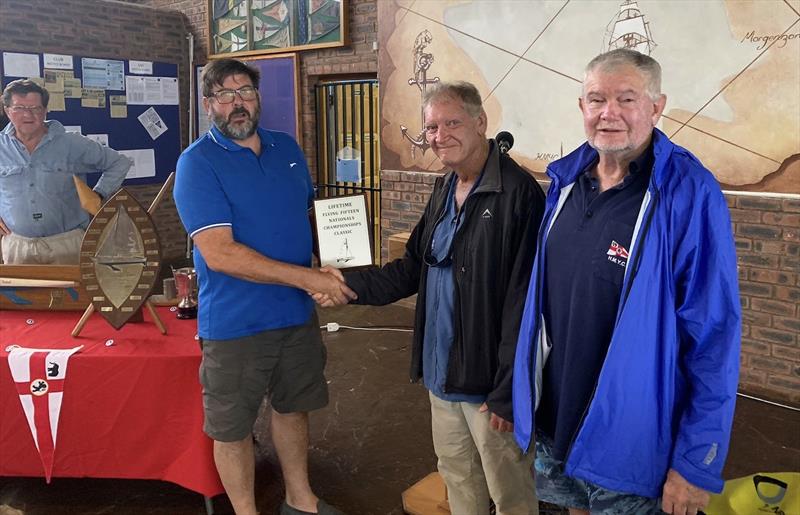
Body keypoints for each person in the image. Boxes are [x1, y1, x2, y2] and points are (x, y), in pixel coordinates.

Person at [512, 48, 741, 515]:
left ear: (657, 107)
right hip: (558, 420)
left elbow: (713, 338)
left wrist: (696, 462)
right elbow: (543, 306)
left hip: (634, 440)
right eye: (596, 99)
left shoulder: (688, 193)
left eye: (626, 99)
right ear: (581, 107)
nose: (608, 113)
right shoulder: (566, 183)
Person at [317, 81, 545, 515]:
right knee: (457, 475)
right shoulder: (444, 189)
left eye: (452, 123)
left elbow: (526, 303)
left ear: (481, 123)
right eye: (433, 127)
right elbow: (411, 269)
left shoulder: (520, 195)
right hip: (442, 374)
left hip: (486, 384)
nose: (441, 136)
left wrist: (507, 390)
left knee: (510, 490)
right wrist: (345, 285)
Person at [173, 58, 355, 515]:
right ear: (209, 104)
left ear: (258, 98)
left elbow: (302, 218)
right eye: (226, 95)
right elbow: (220, 253)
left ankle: (300, 499)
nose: (238, 103)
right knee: (232, 428)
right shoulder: (197, 164)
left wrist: (327, 263)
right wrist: (307, 277)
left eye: (246, 93)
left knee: (294, 407)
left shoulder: (286, 148)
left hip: (295, 314)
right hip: (236, 323)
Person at [0, 79, 131, 264]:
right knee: (22, 294)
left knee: (76, 294)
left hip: (67, 244)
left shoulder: (71, 143)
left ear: (45, 111)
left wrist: (98, 195)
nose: (27, 114)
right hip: (18, 247)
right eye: (19, 107)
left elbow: (119, 163)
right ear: (7, 110)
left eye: (35, 108)